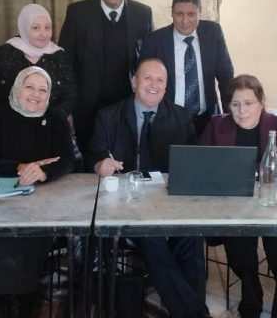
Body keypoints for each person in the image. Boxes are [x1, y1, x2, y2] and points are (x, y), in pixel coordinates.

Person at [89, 58, 210, 318]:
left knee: (191, 234)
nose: (154, 85)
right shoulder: (108, 116)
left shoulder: (180, 117)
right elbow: (95, 154)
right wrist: (101, 164)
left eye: (160, 80)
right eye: (147, 78)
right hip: (125, 203)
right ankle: (194, 313)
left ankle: (190, 308)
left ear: (166, 87)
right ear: (134, 81)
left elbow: (193, 163)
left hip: (169, 201)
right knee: (150, 235)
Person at [199, 74, 277, 318]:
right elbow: (203, 161)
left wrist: (253, 173)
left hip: (274, 204)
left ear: (261, 102)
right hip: (235, 206)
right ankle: (251, 295)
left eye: (248, 103)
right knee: (240, 251)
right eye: (235, 104)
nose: (242, 110)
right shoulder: (216, 125)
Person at [0, 66, 74, 317]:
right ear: (17, 88)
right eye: (30, 87)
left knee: (29, 236)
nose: (36, 95)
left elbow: (68, 159)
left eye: (43, 90)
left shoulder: (56, 117)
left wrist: (43, 172)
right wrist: (19, 167)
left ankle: (20, 299)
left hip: (40, 202)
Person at [59, 0, 154, 162]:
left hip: (127, 107)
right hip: (87, 108)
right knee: (90, 165)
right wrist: (66, 109)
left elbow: (149, 61)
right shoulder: (78, 13)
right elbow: (64, 65)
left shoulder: (143, 14)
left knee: (124, 163)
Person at [140, 0, 234, 135]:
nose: (185, 21)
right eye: (179, 14)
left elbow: (225, 75)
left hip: (207, 119)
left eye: (191, 14)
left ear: (200, 11)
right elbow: (144, 82)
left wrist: (230, 116)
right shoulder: (154, 41)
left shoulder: (212, 32)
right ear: (172, 12)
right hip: (168, 121)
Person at [0, 3, 76, 118]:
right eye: (36, 28)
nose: (43, 34)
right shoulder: (1, 55)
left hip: (49, 125)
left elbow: (71, 95)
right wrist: (5, 119)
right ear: (24, 28)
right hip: (7, 124)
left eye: (47, 27)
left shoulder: (60, 57)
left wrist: (52, 119)